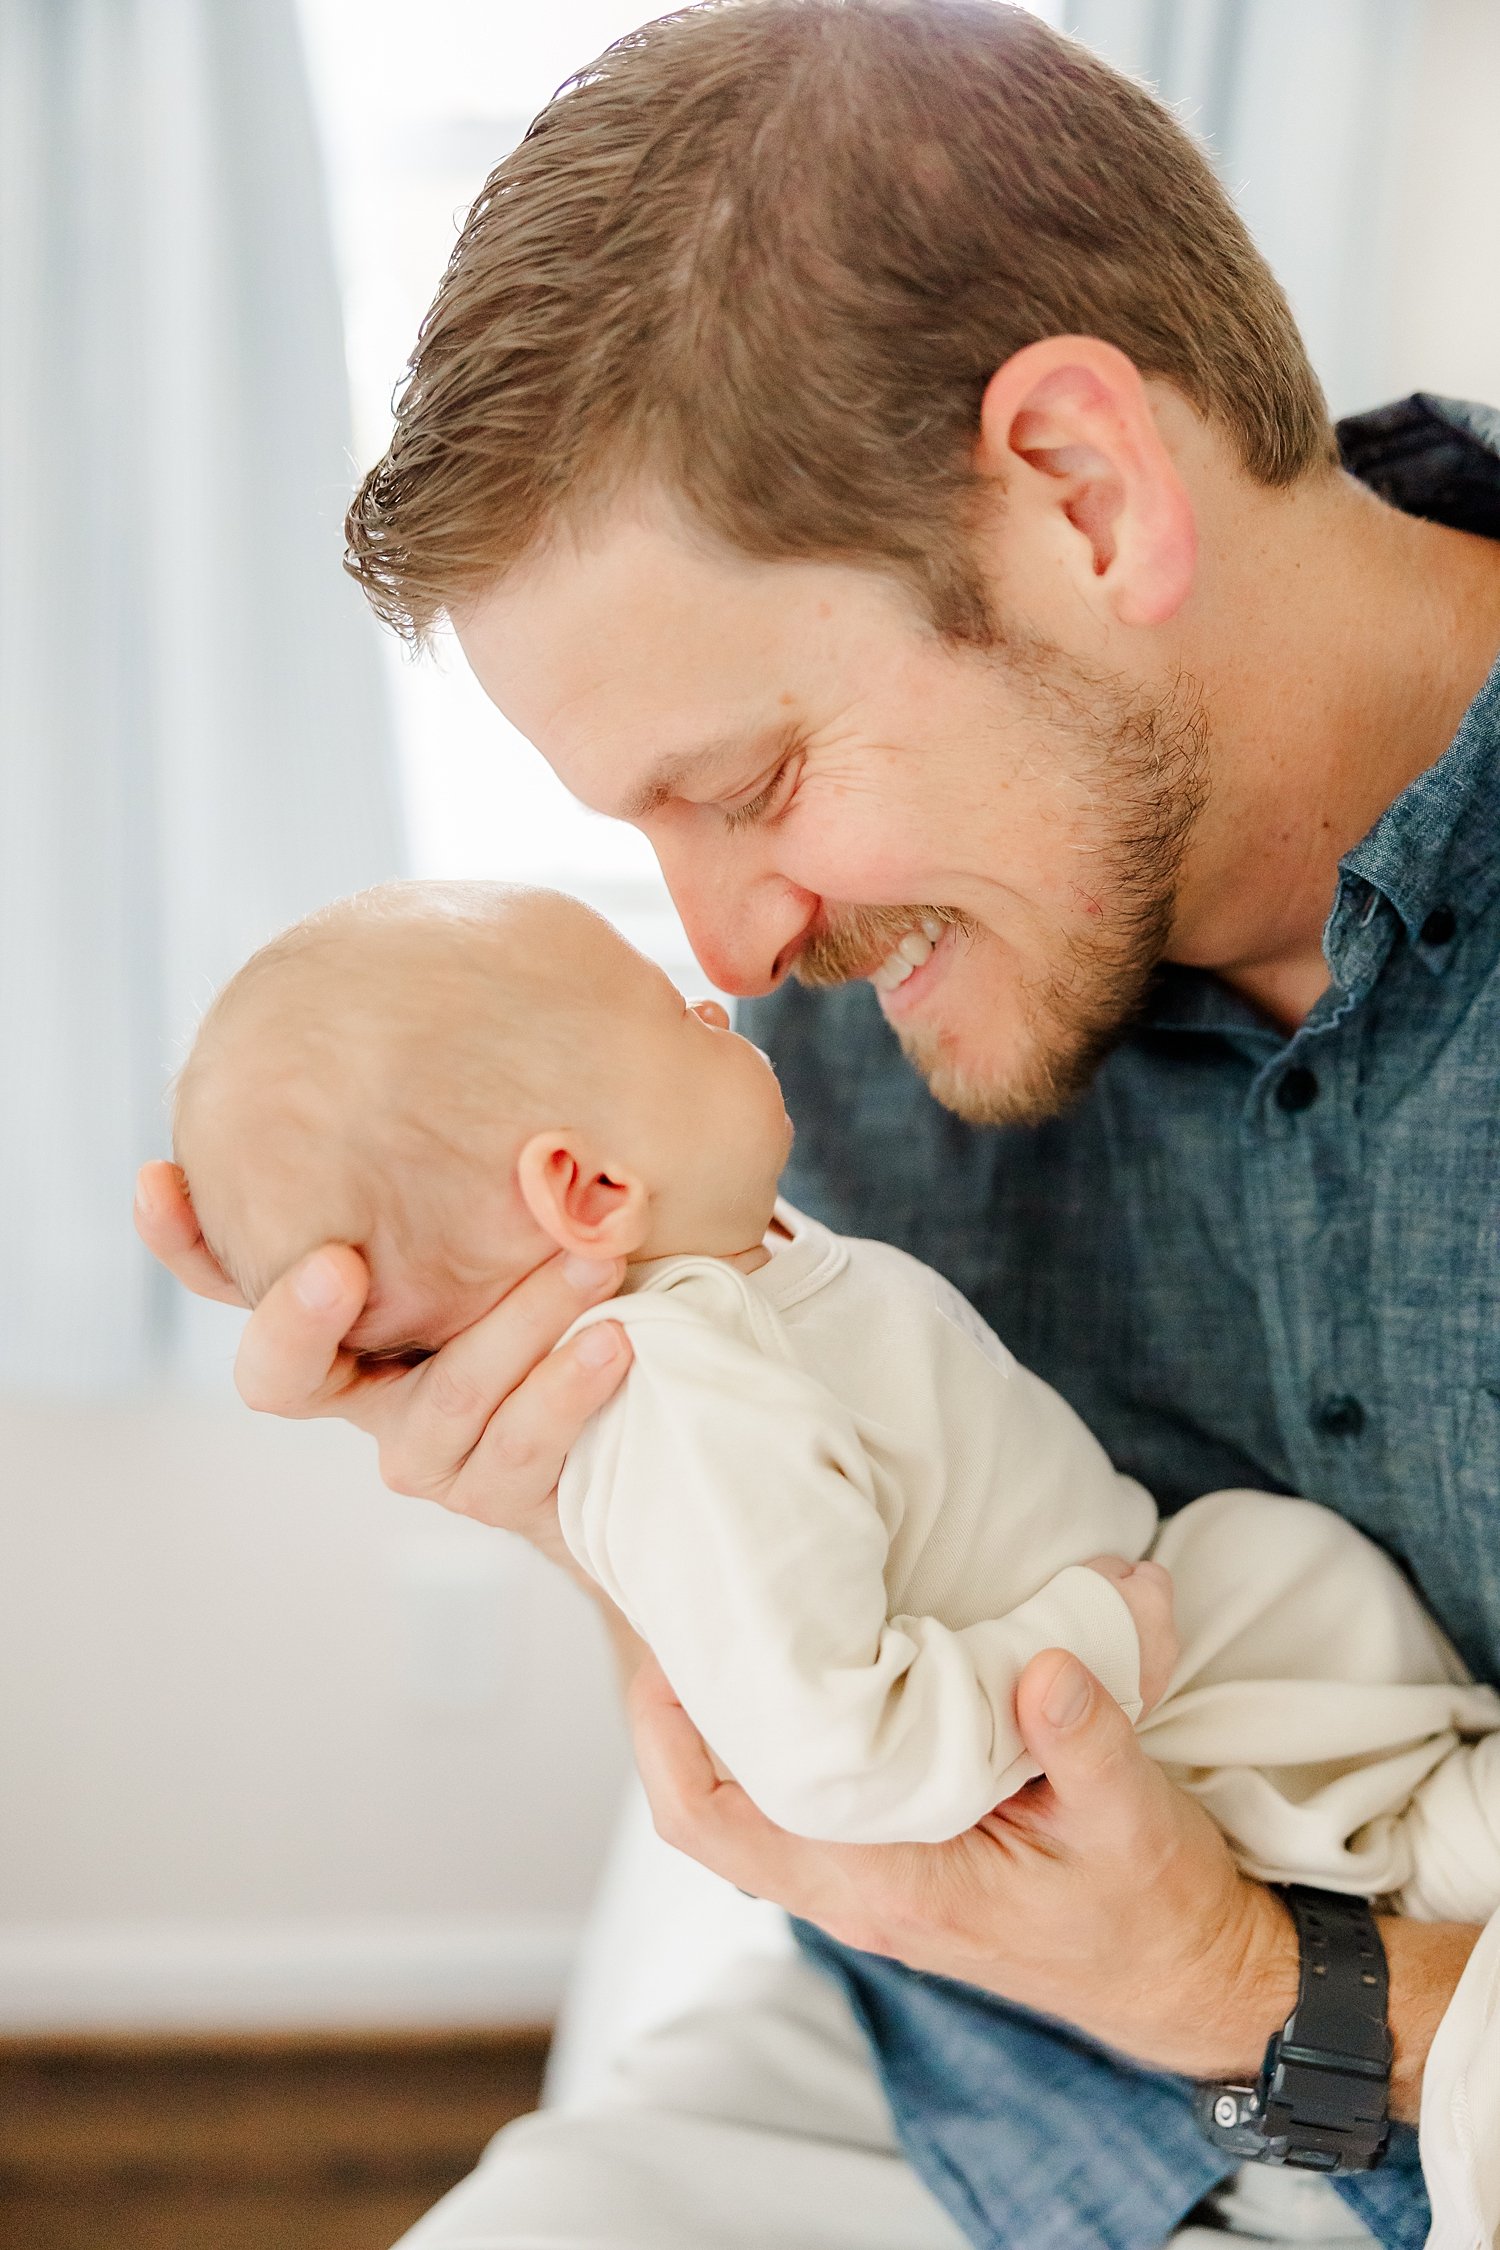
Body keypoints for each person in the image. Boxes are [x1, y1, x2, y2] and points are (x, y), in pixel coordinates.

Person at [134, 3, 1500, 2244]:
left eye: (749, 783)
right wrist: (579, 1470)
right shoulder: (831, 1031)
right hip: (977, 2095)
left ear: (1080, 489)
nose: (738, 958)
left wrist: (1253, 1981)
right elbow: (824, 1580)